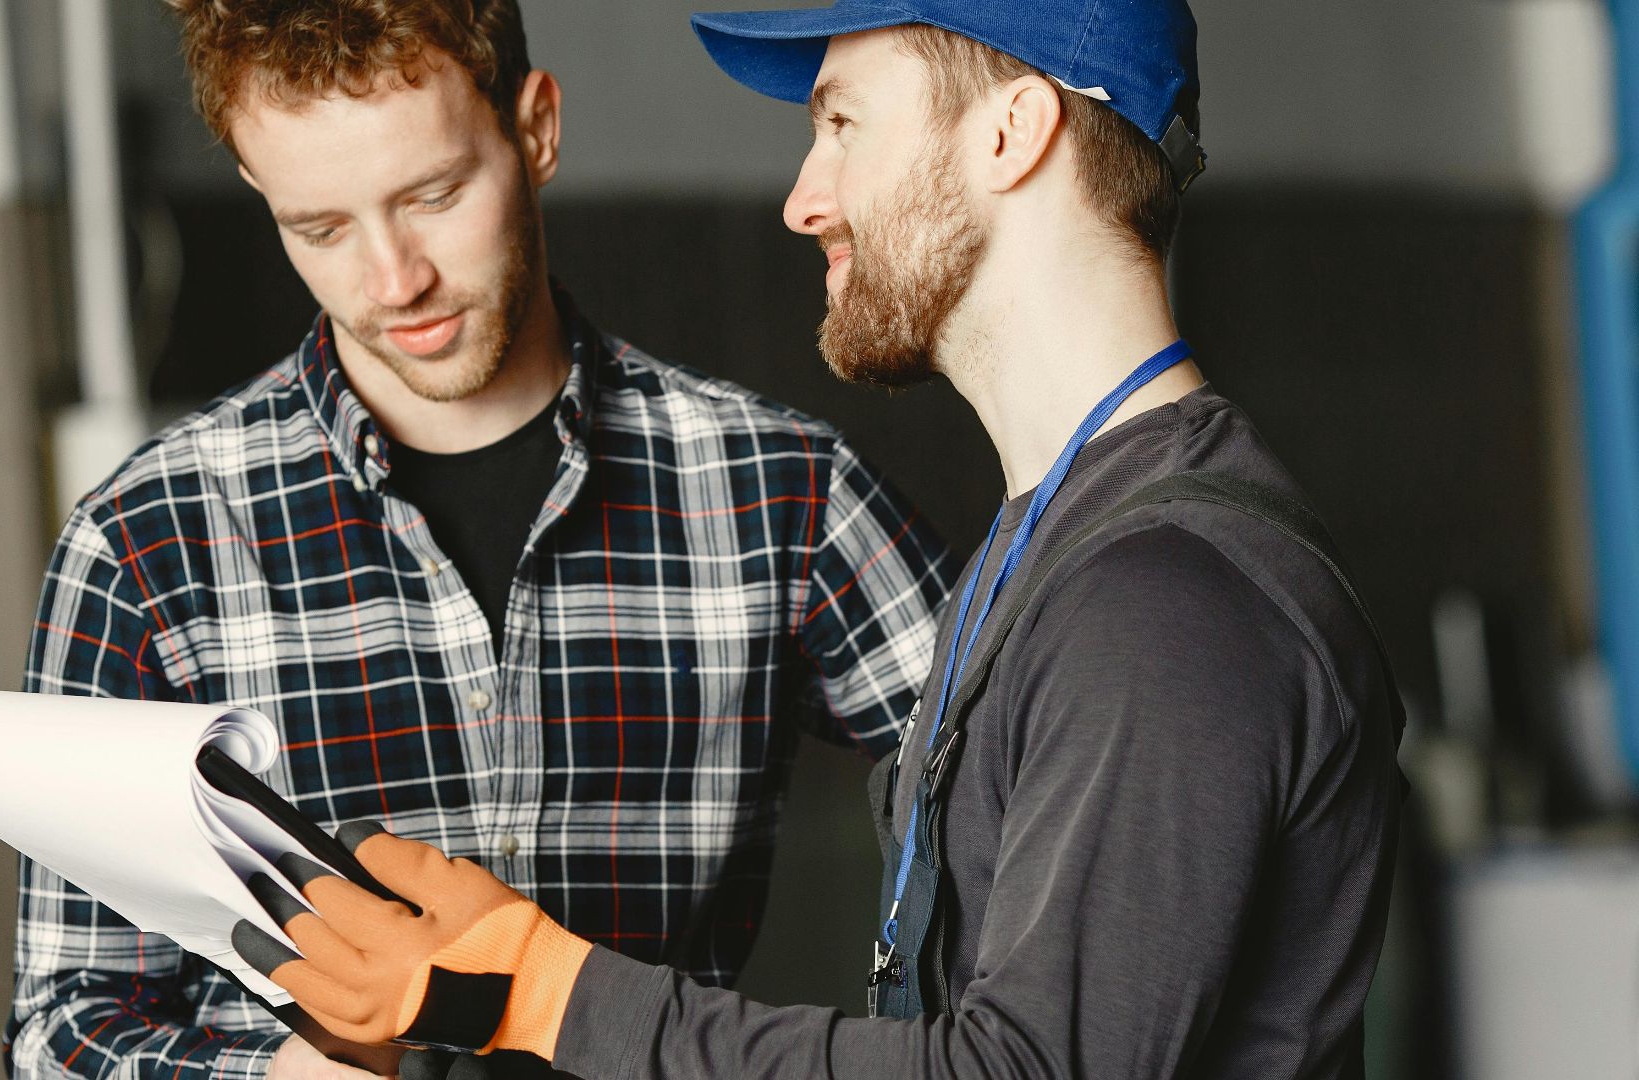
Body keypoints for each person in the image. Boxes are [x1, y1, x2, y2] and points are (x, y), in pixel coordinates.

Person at [230, 1, 1410, 1078]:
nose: (804, 197)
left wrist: (544, 990)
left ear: (1012, 134)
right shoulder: (1049, 551)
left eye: (843, 122)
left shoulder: (1163, 603)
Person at [5, 1, 956, 1077]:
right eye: (320, 228)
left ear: (536, 128)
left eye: (435, 196)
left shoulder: (775, 490)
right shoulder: (142, 546)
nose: (393, 278)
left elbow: (1029, 783)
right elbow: (62, 1028)